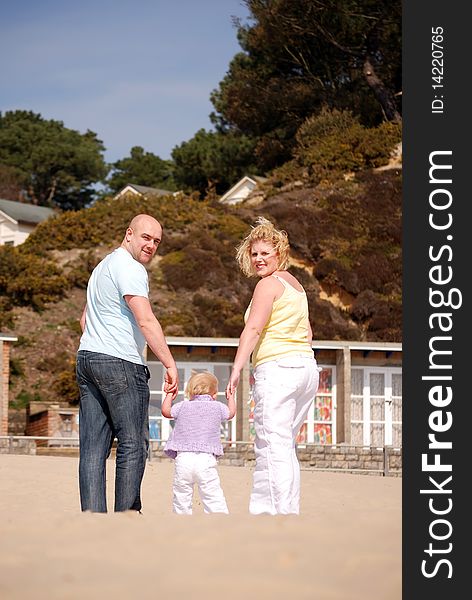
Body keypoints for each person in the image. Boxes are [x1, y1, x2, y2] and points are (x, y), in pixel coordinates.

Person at [76, 214, 178, 513]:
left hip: (88, 358)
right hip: (120, 363)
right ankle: (125, 522)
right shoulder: (130, 268)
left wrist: (100, 343)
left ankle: (92, 522)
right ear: (129, 234)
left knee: (93, 451)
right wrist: (169, 364)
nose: (151, 245)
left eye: (157, 241)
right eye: (146, 237)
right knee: (133, 445)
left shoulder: (102, 267)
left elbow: (84, 319)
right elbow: (145, 320)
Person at [226, 216, 320, 515]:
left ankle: (278, 518)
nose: (258, 259)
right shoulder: (296, 286)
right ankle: (278, 512)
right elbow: (308, 333)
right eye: (254, 254)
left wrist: (237, 368)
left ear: (280, 252)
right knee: (284, 445)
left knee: (272, 445)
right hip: (305, 367)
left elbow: (252, 330)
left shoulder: (267, 285)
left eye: (265, 252)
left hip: (278, 370)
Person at [162, 371, 235, 515]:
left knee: (181, 496)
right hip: (206, 460)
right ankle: (220, 524)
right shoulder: (218, 407)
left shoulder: (183, 406)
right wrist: (231, 397)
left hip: (183, 459)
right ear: (214, 394)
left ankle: (182, 524)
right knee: (212, 496)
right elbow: (231, 413)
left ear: (190, 392)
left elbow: (166, 411)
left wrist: (170, 394)